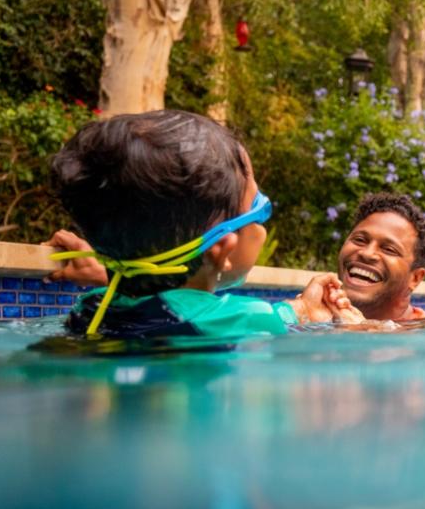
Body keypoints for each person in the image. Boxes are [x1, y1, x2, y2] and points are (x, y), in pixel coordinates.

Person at [45, 110, 354, 339]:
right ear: (221, 249)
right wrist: (308, 311)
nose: (263, 224)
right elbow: (274, 316)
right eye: (260, 210)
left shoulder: (88, 307)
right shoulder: (243, 318)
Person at [332, 192, 425, 321]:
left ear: (415, 278)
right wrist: (301, 310)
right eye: (360, 240)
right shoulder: (312, 315)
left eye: (389, 249)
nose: (367, 253)